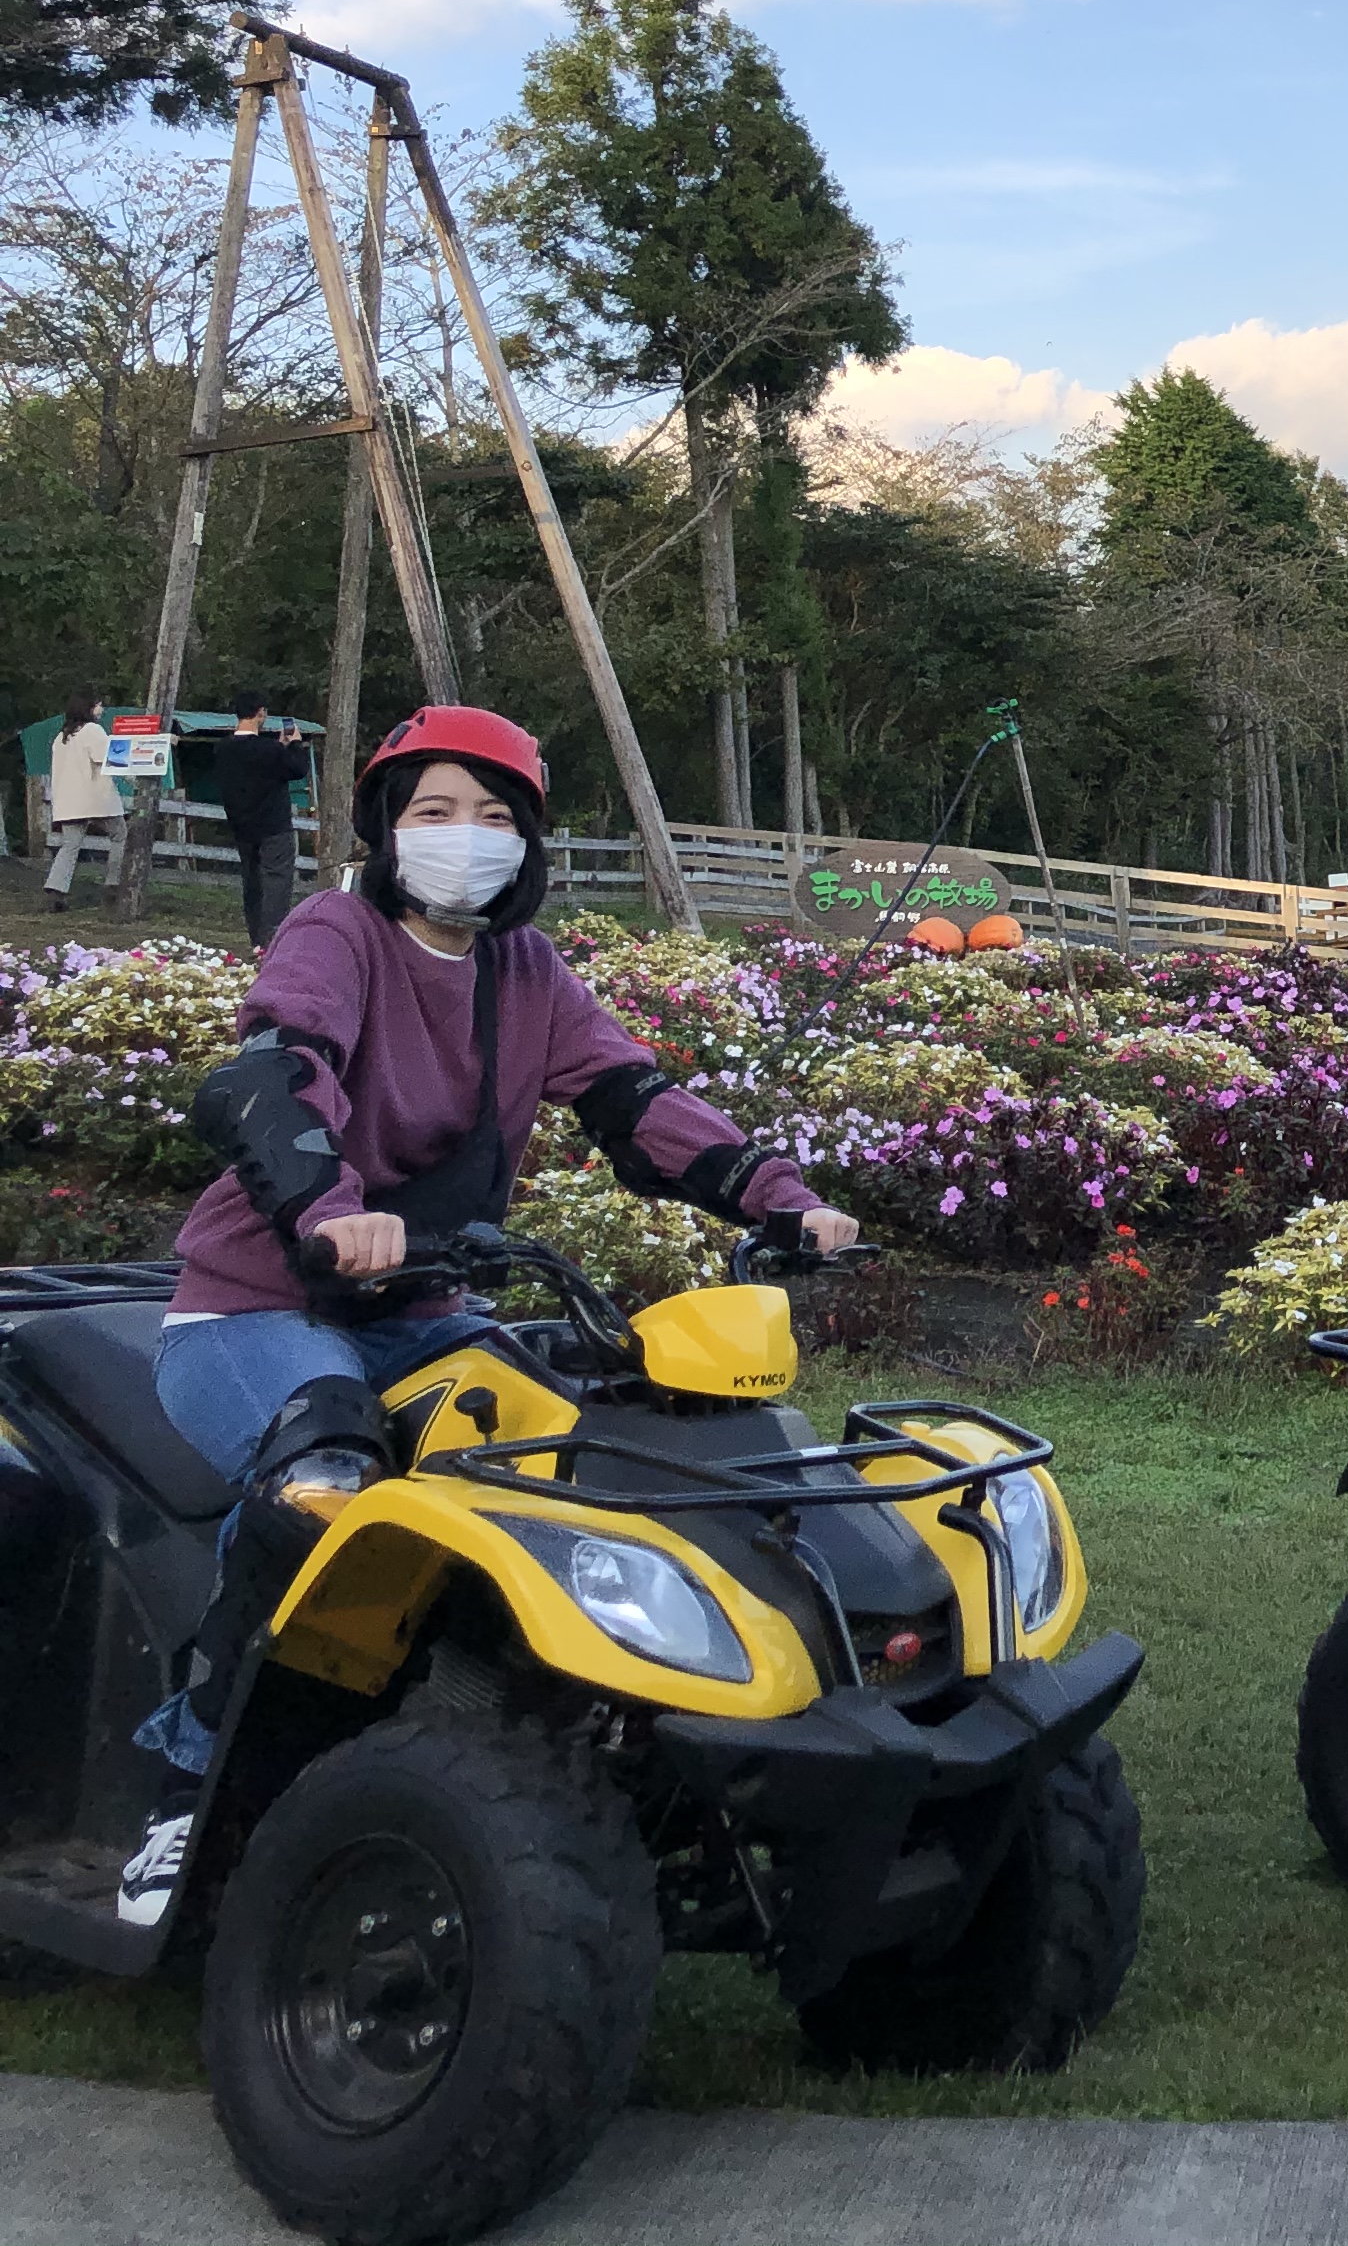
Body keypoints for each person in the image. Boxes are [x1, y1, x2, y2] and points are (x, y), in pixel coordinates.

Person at [116, 703, 860, 1926]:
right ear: (386, 827)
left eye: (492, 816)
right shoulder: (337, 934)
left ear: (527, 844)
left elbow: (634, 1099)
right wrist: (330, 1209)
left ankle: (539, 1743)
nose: (463, 835)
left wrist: (782, 1197)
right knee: (325, 1469)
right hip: (258, 1306)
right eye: (433, 811)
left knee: (577, 1450)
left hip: (420, 1313)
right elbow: (276, 1070)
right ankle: (187, 1789)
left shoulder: (528, 973)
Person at [202, 691, 310, 950]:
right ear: (261, 713)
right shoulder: (269, 750)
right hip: (273, 825)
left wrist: (279, 748)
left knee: (252, 882)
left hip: (242, 824)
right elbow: (297, 769)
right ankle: (272, 938)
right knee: (276, 880)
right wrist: (294, 744)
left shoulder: (223, 749)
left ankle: (256, 938)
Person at [38, 694, 118, 908]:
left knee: (70, 845)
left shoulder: (62, 737)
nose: (102, 709)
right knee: (120, 835)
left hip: (68, 801)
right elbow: (109, 758)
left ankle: (56, 889)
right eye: (99, 705)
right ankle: (114, 884)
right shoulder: (92, 731)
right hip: (95, 798)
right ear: (89, 707)